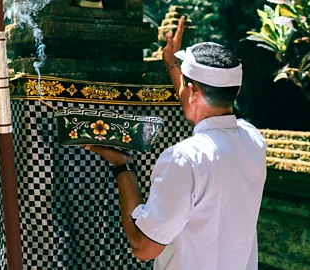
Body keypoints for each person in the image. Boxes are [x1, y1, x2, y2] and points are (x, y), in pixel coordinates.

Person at [85, 16, 267, 270]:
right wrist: (173, 65)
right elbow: (206, 117)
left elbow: (143, 247)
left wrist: (122, 166)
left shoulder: (184, 159)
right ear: (235, 91)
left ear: (192, 91)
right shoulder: (253, 141)